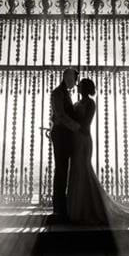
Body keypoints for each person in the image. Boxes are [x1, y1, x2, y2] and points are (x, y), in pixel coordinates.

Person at [66, 77, 129, 225]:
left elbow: (86, 122)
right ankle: (78, 209)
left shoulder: (90, 103)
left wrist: (71, 124)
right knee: (76, 171)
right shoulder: (77, 103)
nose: (78, 86)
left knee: (84, 170)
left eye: (80, 85)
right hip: (76, 140)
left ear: (86, 88)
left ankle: (90, 208)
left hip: (84, 140)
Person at [49, 68, 80, 221]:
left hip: (65, 135)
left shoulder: (64, 93)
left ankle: (62, 207)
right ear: (68, 78)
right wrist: (77, 127)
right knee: (61, 170)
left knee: (63, 170)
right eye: (75, 79)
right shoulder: (57, 93)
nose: (76, 82)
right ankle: (58, 208)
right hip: (61, 135)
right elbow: (60, 115)